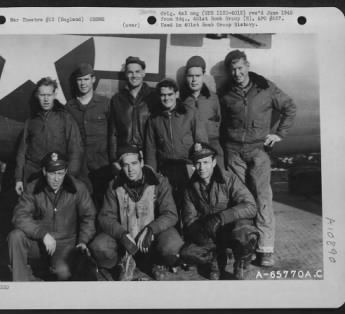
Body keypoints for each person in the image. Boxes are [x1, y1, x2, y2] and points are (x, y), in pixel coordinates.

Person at [219, 50, 297, 267]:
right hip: (234, 152)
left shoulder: (265, 87)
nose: (237, 73)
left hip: (258, 151)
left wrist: (279, 134)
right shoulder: (225, 93)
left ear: (247, 66)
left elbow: (290, 107)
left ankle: (265, 249)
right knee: (241, 200)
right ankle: (243, 245)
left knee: (263, 198)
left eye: (240, 68)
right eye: (233, 69)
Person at [89, 145, 184, 281]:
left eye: (134, 163)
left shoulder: (159, 182)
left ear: (142, 162)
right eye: (125, 165)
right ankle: (122, 262)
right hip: (126, 241)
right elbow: (105, 217)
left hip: (152, 238)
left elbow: (170, 214)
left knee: (173, 245)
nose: (130, 169)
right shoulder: (114, 185)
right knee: (99, 247)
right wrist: (121, 234)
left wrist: (152, 229)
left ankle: (157, 262)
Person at [8, 152, 96, 281]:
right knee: (15, 236)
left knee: (64, 277)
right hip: (40, 242)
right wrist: (42, 234)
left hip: (65, 244)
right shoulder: (33, 187)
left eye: (60, 173)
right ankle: (20, 285)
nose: (56, 179)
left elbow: (89, 216)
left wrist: (83, 241)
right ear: (44, 171)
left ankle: (53, 270)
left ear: (66, 171)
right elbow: (19, 216)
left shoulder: (78, 188)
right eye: (52, 173)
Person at [182, 142, 258, 280]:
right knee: (186, 252)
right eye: (197, 163)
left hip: (229, 229)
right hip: (210, 233)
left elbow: (250, 206)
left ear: (213, 162)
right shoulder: (190, 188)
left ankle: (240, 261)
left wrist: (222, 217)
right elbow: (189, 219)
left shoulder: (229, 179)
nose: (201, 167)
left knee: (246, 232)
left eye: (205, 162)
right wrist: (202, 234)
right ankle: (215, 259)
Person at [145, 78, 208, 222]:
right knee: (169, 208)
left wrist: (198, 167)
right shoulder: (154, 119)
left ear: (177, 94)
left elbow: (202, 142)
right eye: (163, 95)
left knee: (190, 207)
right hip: (166, 169)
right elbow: (150, 150)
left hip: (187, 168)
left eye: (170, 94)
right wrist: (152, 177)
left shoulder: (189, 113)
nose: (166, 98)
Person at [15, 77, 84, 195]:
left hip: (57, 178)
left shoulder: (65, 119)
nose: (46, 99)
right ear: (37, 95)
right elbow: (22, 153)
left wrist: (68, 178)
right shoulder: (31, 121)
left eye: (49, 95)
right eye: (42, 95)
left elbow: (76, 150)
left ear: (54, 94)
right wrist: (19, 179)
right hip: (33, 177)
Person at [66, 64, 111, 206]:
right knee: (83, 204)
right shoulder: (70, 107)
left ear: (93, 80)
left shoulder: (104, 103)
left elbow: (113, 133)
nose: (83, 83)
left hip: (102, 163)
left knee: (103, 202)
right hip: (80, 165)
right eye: (79, 80)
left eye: (86, 79)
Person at [109, 56, 160, 168]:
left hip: (149, 155)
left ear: (143, 73)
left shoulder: (154, 96)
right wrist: (114, 159)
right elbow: (113, 132)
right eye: (130, 72)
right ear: (126, 74)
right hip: (125, 156)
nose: (134, 76)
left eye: (137, 72)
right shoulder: (117, 99)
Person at [182, 55, 223, 163]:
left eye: (198, 75)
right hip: (189, 154)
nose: (194, 80)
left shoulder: (213, 99)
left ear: (203, 76)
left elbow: (222, 127)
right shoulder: (180, 101)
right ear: (186, 77)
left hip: (213, 152)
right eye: (190, 76)